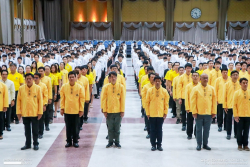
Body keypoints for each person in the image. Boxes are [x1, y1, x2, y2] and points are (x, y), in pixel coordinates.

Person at [17, 73, 43, 151]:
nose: (28, 80)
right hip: (25, 112)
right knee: (27, 130)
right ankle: (28, 144)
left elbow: (40, 101)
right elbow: (18, 101)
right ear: (25, 80)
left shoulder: (37, 88)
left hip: (34, 112)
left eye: (30, 79)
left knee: (35, 130)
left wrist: (40, 112)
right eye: (27, 79)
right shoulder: (21, 88)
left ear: (33, 79)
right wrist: (18, 112)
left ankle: (35, 143)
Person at [191, 74, 217, 151]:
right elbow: (193, 101)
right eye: (204, 78)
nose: (205, 80)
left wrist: (214, 111)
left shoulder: (212, 89)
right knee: (198, 130)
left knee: (207, 130)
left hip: (208, 113)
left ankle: (205, 144)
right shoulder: (195, 89)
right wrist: (194, 111)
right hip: (199, 113)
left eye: (206, 78)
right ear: (200, 79)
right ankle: (199, 144)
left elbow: (214, 101)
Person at [60, 71, 85, 148]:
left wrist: (81, 110)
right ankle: (68, 141)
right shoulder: (64, 87)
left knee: (75, 127)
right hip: (67, 110)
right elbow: (62, 99)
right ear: (68, 78)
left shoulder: (79, 87)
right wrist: (62, 108)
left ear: (76, 77)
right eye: (70, 77)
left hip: (76, 110)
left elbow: (82, 99)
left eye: (72, 77)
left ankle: (75, 141)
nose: (71, 78)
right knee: (68, 126)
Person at [102, 71, 125, 149]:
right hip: (109, 111)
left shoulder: (121, 87)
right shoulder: (106, 87)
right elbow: (104, 100)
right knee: (110, 128)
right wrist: (104, 110)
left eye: (114, 77)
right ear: (109, 78)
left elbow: (122, 100)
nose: (113, 78)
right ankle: (110, 142)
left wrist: (122, 110)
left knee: (117, 128)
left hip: (118, 111)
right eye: (111, 77)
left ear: (116, 77)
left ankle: (117, 142)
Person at [145, 76, 169, 151]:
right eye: (156, 81)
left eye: (159, 81)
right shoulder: (150, 91)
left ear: (161, 82)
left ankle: (159, 144)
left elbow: (166, 103)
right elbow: (147, 103)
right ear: (154, 82)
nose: (157, 82)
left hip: (160, 114)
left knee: (159, 129)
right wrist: (148, 113)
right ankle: (153, 145)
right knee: (152, 130)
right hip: (152, 114)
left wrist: (165, 112)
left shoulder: (164, 91)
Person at [233, 77, 250, 151]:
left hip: (248, 115)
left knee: (246, 131)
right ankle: (239, 144)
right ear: (240, 84)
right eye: (243, 83)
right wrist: (235, 115)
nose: (245, 84)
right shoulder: (237, 93)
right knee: (239, 131)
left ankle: (245, 145)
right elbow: (234, 105)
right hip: (239, 115)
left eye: (246, 83)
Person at [223, 70, 240, 140]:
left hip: (238, 106)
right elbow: (224, 96)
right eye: (234, 75)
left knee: (237, 121)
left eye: (236, 75)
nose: (235, 76)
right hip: (229, 105)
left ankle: (236, 134)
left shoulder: (240, 84)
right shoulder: (227, 84)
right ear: (231, 76)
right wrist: (225, 106)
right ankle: (228, 134)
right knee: (228, 120)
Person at [177, 63, 192, 131]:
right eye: (187, 68)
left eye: (190, 68)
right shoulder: (181, 77)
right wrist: (180, 98)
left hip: (192, 97)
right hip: (184, 97)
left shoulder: (194, 76)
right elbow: (179, 88)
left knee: (191, 112)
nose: (188, 69)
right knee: (183, 112)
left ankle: (189, 124)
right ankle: (183, 124)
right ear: (185, 69)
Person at [185, 72, 199, 139]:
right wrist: (187, 107)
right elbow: (186, 97)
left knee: (198, 122)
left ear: (199, 77)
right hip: (190, 107)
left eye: (196, 76)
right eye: (194, 76)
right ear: (191, 77)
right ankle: (189, 134)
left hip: (199, 107)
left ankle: (196, 133)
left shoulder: (201, 86)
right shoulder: (188, 86)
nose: (195, 77)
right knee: (190, 121)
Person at [34, 73, 48, 139]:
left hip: (41, 105)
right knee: (34, 120)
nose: (35, 79)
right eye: (34, 77)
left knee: (40, 120)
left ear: (40, 78)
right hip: (33, 105)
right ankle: (35, 132)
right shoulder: (32, 85)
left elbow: (45, 96)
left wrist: (44, 105)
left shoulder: (43, 86)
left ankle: (40, 132)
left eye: (36, 78)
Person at [141, 73, 156, 139]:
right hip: (148, 105)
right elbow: (143, 97)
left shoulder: (157, 86)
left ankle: (154, 133)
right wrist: (144, 105)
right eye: (151, 77)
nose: (153, 78)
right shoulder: (146, 86)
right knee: (148, 120)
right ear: (149, 78)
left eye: (154, 77)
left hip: (156, 106)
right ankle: (149, 132)